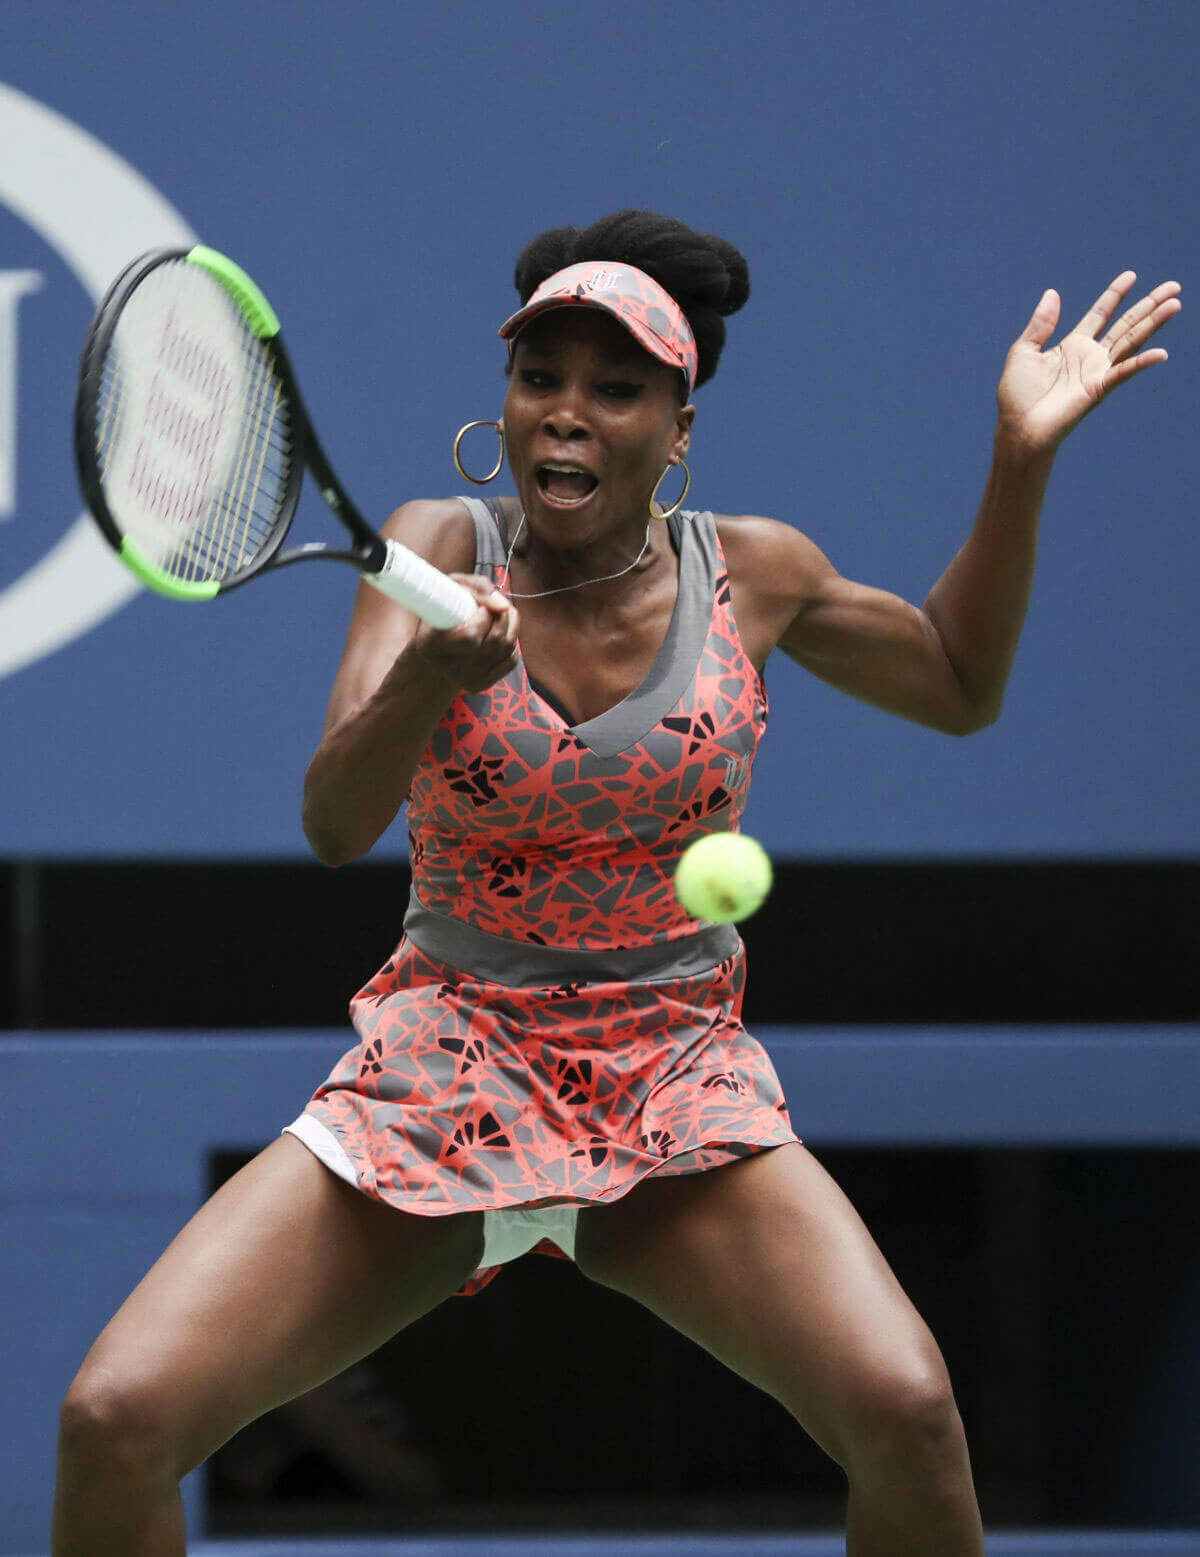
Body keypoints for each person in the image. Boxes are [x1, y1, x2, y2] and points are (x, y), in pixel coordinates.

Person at [52, 209, 1180, 1557]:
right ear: (508, 403)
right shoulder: (433, 550)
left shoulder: (754, 574)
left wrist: (1018, 460)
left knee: (909, 1411)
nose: (567, 415)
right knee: (115, 1416)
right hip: (446, 1070)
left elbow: (955, 681)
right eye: (542, 379)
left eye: (617, 387)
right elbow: (333, 819)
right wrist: (432, 671)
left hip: (673, 1081)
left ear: (681, 426)